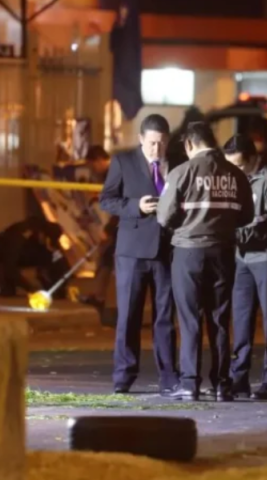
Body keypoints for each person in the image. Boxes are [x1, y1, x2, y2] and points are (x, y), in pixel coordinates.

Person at [157, 122, 254, 402]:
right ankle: (223, 384)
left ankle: (190, 384)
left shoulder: (182, 172)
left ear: (189, 144)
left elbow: (164, 216)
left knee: (190, 319)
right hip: (223, 252)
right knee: (220, 318)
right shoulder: (236, 174)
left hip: (188, 252)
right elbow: (246, 216)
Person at [99, 114, 181, 395]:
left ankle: (169, 377)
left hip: (166, 250)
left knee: (165, 317)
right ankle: (124, 375)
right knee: (129, 315)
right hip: (132, 251)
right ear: (141, 139)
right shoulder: (124, 161)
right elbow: (107, 199)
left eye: (161, 143)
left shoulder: (178, 163)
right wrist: (136, 206)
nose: (156, 149)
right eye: (151, 143)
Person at [223, 134, 267, 400]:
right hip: (241, 258)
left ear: (252, 159)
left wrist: (243, 227)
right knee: (241, 320)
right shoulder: (232, 177)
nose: (234, 170)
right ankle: (239, 378)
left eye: (239, 165)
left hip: (265, 257)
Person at [0, 216, 70, 298]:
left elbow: (61, 263)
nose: (47, 244)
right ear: (41, 234)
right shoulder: (19, 236)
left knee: (53, 257)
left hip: (23, 254)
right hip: (0, 257)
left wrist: (58, 287)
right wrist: (29, 288)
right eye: (46, 241)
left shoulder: (46, 240)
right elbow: (9, 266)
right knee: (6, 291)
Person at [79, 145, 118, 308]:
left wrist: (108, 230)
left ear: (99, 160)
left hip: (126, 225)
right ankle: (99, 296)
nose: (92, 170)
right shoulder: (111, 174)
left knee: (114, 260)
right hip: (120, 224)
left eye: (92, 165)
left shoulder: (115, 175)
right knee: (106, 259)